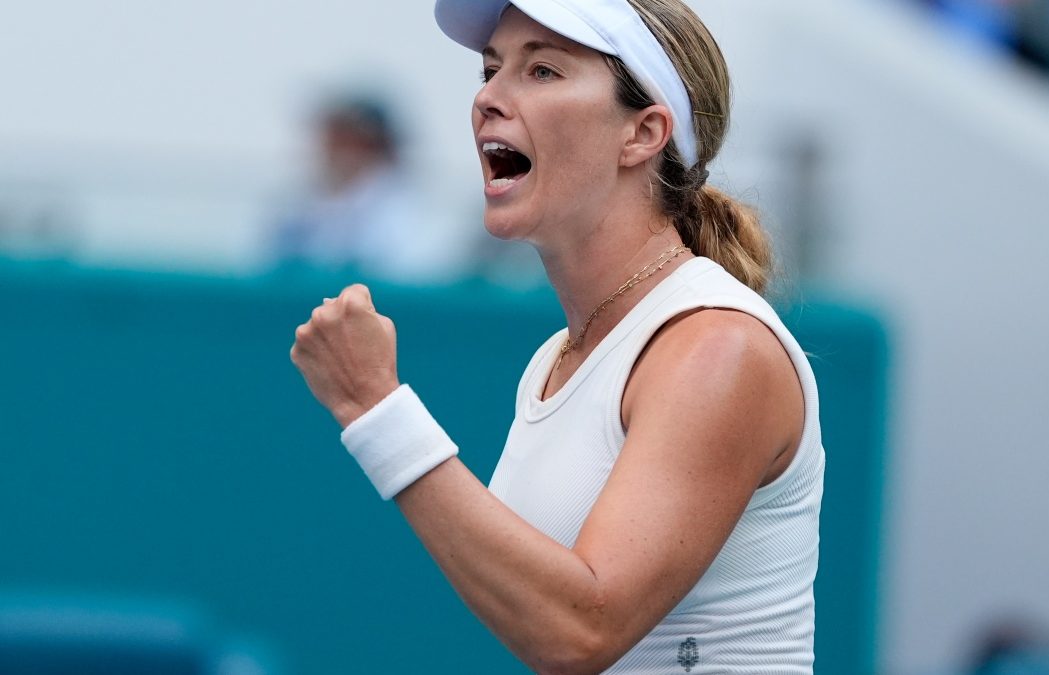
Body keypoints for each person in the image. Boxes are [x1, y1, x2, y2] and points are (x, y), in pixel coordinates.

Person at [289, 0, 825, 672]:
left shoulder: (718, 347)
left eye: (542, 70)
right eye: (491, 69)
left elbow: (580, 630)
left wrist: (377, 407)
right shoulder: (559, 358)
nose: (488, 96)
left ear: (643, 132)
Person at [270, 95, 472, 283]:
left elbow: (407, 271)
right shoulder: (306, 204)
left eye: (348, 141)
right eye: (334, 139)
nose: (335, 150)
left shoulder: (401, 210)